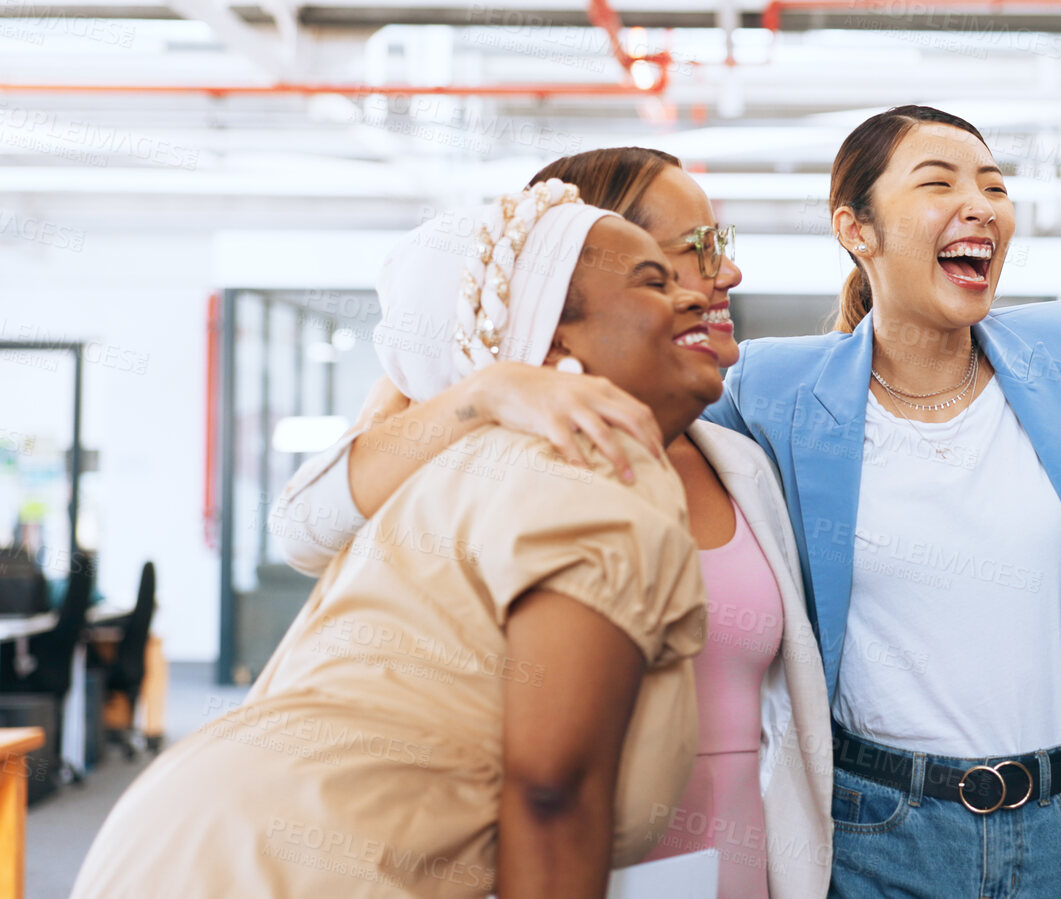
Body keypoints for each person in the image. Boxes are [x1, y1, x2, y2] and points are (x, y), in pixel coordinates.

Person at [73, 181, 721, 898]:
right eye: (656, 279)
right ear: (554, 335)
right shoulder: (598, 462)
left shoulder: (453, 466)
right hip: (288, 864)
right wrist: (493, 382)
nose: (698, 293)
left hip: (190, 835)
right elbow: (553, 791)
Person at [267, 149, 832, 899]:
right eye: (684, 258)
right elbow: (306, 522)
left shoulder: (734, 459)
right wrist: (490, 387)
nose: (722, 275)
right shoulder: (495, 461)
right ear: (576, 289)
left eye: (718, 246)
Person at [704, 106, 1061, 898]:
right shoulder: (776, 389)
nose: (980, 204)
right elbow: (637, 429)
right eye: (939, 182)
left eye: (993, 186)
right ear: (855, 229)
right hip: (879, 830)